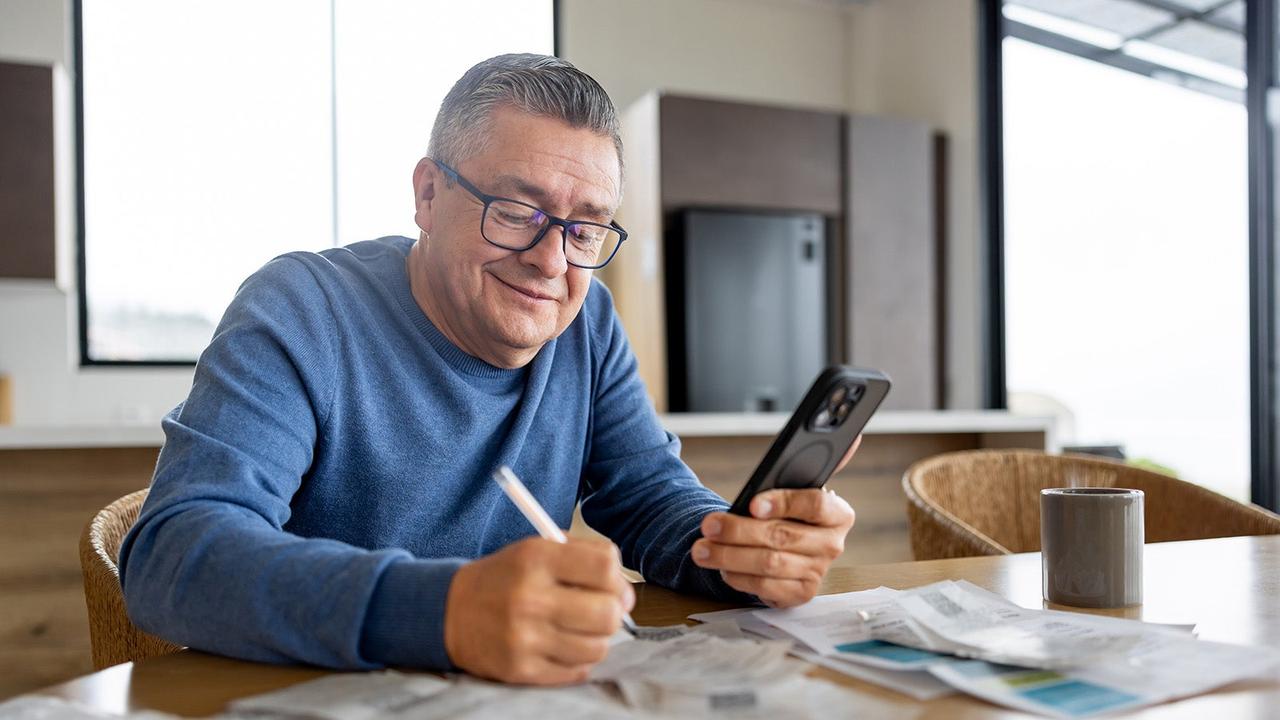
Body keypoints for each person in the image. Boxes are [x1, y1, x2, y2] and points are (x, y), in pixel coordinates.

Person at [119, 53, 857, 685]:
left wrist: (739, 551)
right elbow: (175, 555)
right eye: (515, 209)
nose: (550, 259)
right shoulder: (303, 309)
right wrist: (446, 611)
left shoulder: (587, 323)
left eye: (585, 227)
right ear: (429, 196)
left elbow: (649, 497)